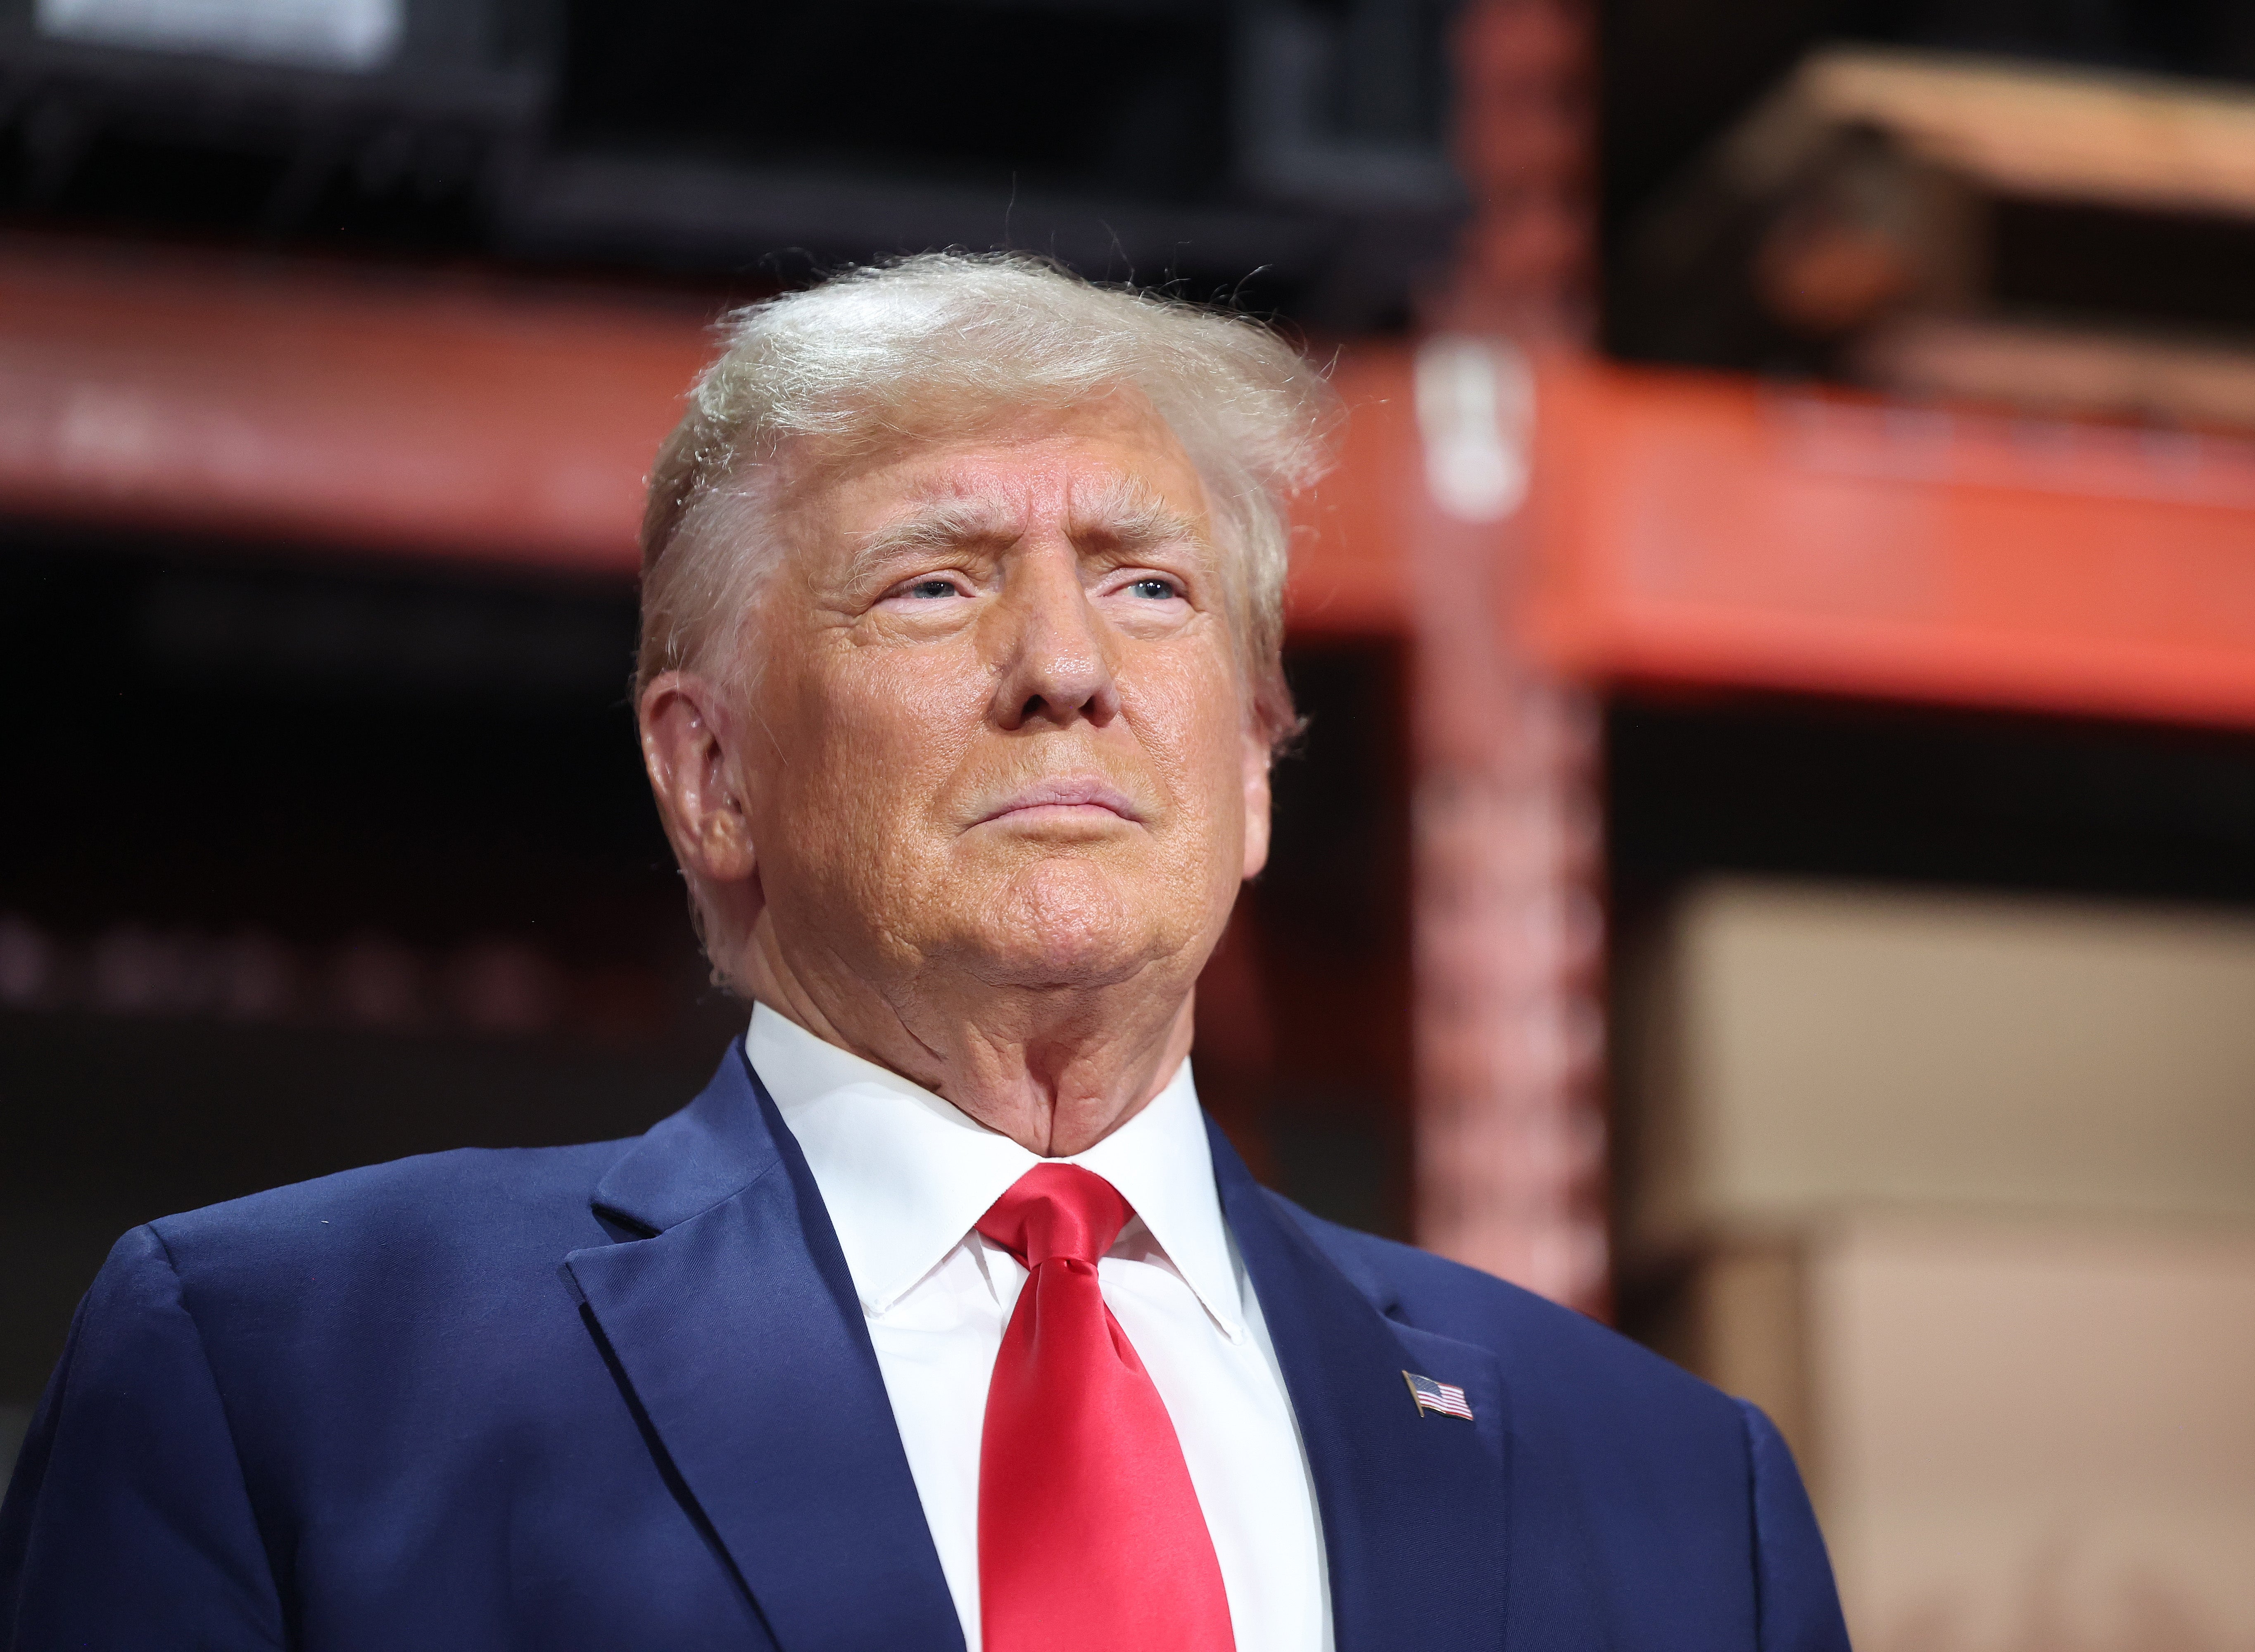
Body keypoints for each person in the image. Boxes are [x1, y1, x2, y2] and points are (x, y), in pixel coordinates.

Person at [0, 253, 1847, 1652]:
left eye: (1148, 582)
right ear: (710, 773)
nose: (1068, 665)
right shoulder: (287, 1383)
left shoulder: (1683, 1498)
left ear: (1258, 767)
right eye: (937, 582)